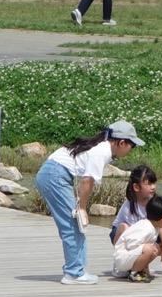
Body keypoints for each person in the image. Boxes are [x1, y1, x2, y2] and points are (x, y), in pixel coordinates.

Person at [36, 120, 144, 285]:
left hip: (53, 174)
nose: (131, 150)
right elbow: (87, 181)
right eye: (132, 146)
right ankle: (74, 273)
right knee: (73, 224)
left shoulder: (99, 146)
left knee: (71, 224)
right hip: (56, 176)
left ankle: (76, 270)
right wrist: (82, 208)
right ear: (122, 143)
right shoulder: (103, 152)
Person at [111, 195, 162, 282]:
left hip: (128, 256)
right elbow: (130, 244)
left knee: (152, 247)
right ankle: (134, 272)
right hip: (122, 259)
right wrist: (147, 248)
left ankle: (142, 271)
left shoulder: (154, 227)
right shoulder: (146, 228)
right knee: (149, 248)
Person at [110, 164, 160, 244]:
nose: (153, 187)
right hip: (126, 232)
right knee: (124, 227)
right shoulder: (129, 205)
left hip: (147, 233)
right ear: (136, 187)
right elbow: (134, 231)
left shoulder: (155, 202)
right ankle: (120, 250)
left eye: (154, 183)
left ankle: (149, 251)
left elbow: (161, 225)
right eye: (149, 184)